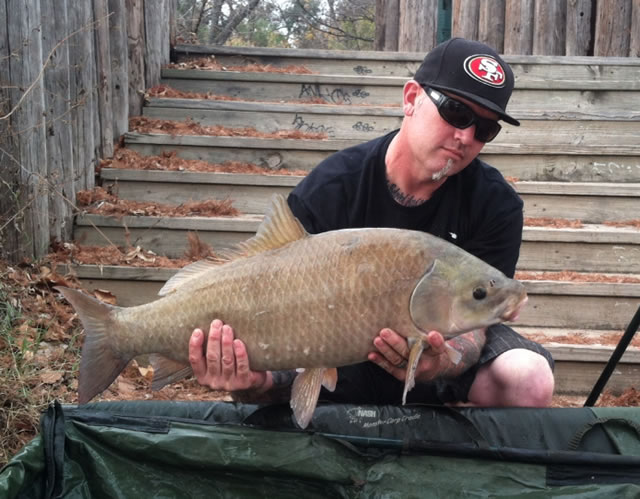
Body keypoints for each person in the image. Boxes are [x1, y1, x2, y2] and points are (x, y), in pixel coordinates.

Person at [188, 38, 555, 408]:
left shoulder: (496, 203)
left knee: (529, 378)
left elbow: (478, 326)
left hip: (436, 357)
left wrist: (441, 359)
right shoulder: (331, 187)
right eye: (456, 113)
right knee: (260, 381)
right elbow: (268, 288)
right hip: (327, 350)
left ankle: (453, 441)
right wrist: (250, 381)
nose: (466, 137)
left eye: (485, 129)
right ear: (410, 98)